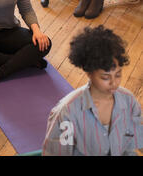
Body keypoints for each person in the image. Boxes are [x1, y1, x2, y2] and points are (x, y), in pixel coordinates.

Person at [42, 25, 142, 156]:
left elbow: (139, 139)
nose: (114, 83)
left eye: (118, 74)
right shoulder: (67, 112)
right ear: (89, 72)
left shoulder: (128, 100)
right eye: (105, 77)